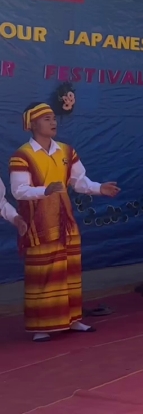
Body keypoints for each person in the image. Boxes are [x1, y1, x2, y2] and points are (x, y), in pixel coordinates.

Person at [7, 103, 120, 342]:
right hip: (38, 224)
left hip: (65, 221)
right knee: (43, 273)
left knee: (69, 270)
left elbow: (79, 182)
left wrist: (100, 188)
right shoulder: (22, 156)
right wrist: (45, 190)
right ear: (33, 124)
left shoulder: (67, 151)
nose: (53, 122)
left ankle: (73, 319)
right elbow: (18, 191)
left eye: (53, 118)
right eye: (46, 118)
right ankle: (42, 326)